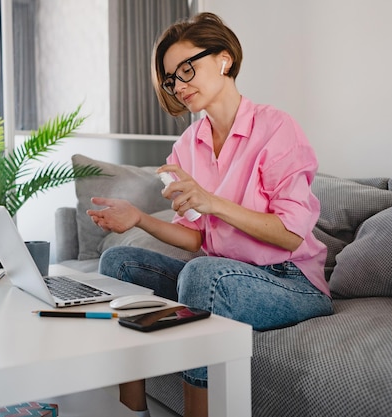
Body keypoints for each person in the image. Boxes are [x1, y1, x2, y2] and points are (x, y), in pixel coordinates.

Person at [86, 12, 333, 417]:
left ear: (224, 59)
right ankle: (132, 413)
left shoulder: (276, 128)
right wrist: (139, 218)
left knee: (201, 274)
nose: (180, 86)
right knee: (119, 260)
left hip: (291, 283)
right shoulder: (188, 145)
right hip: (224, 273)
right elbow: (196, 239)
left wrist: (211, 201)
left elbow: (290, 234)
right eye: (171, 79)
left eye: (188, 69)